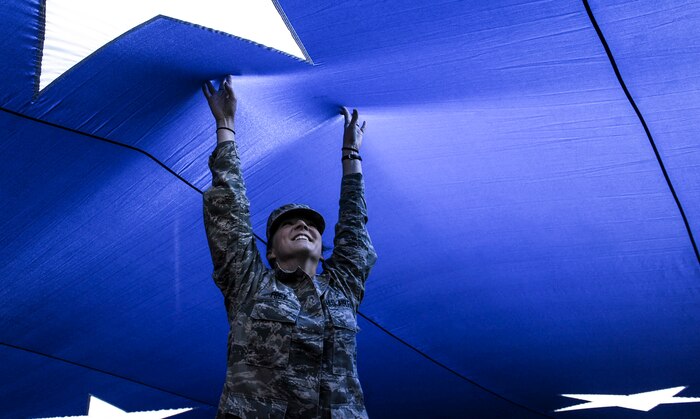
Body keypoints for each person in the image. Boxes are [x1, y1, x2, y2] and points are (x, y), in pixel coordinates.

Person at [202, 75, 378, 419]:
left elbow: (354, 229)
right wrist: (226, 127)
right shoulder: (250, 283)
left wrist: (351, 155)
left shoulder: (342, 290)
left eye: (312, 225)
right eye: (289, 223)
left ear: (322, 247)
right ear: (269, 251)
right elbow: (228, 209)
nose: (303, 226)